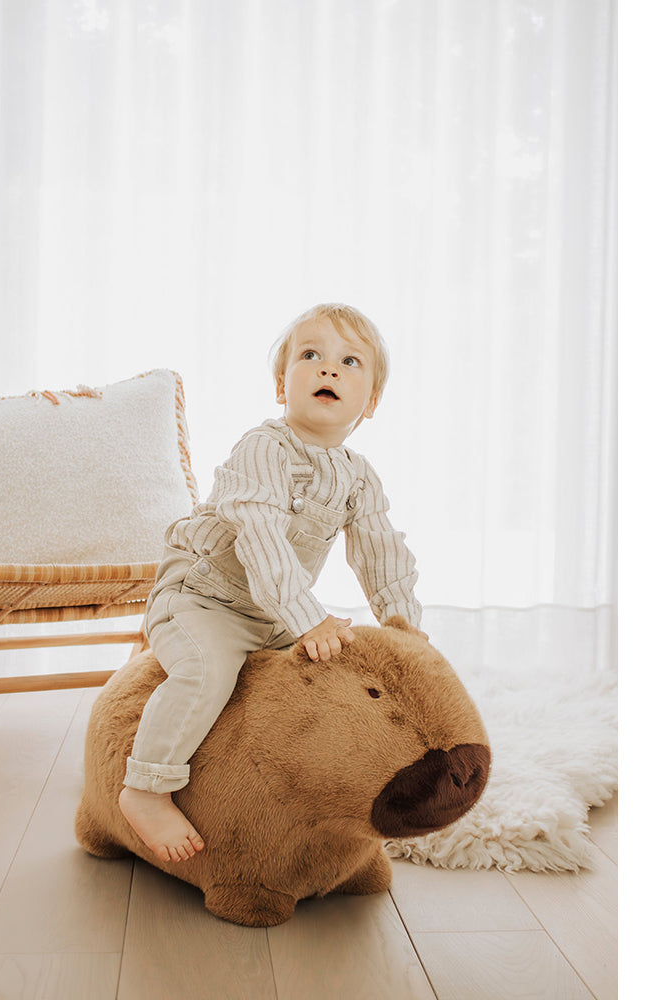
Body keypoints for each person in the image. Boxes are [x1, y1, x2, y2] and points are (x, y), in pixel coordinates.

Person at [118, 303, 424, 862]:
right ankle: (145, 787)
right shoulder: (264, 448)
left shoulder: (359, 476)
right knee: (206, 671)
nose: (327, 369)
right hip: (202, 598)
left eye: (349, 361)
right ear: (282, 384)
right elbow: (260, 537)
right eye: (310, 356)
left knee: (334, 680)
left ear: (371, 401)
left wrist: (403, 625)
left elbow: (381, 550)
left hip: (271, 614)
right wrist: (308, 618)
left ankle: (333, 798)